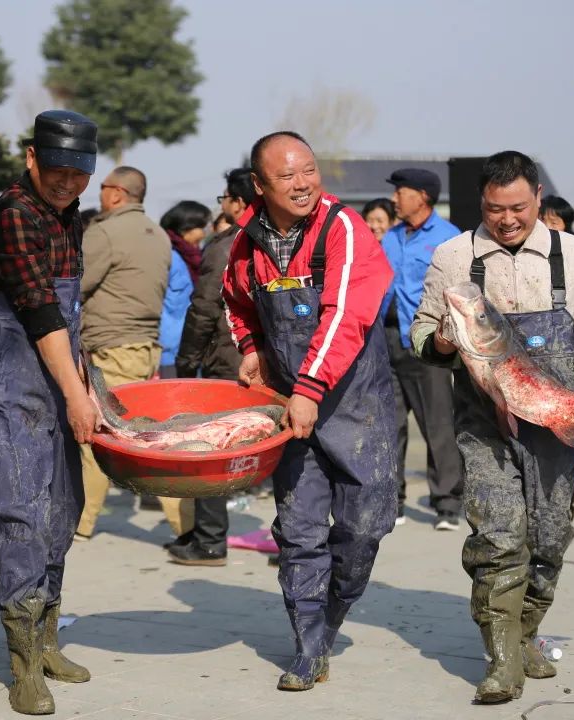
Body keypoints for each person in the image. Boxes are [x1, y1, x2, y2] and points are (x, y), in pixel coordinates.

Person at [411, 151, 574, 703]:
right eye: (494, 208)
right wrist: (440, 343)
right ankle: (502, 660)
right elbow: (422, 333)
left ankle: (526, 633)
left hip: (554, 420)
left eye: (519, 208)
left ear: (539, 199)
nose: (507, 219)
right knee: (498, 535)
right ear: (480, 203)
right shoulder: (453, 256)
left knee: (550, 535)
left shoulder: (572, 254)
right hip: (485, 424)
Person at [222, 131, 398, 691]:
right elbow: (236, 299)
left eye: (309, 171)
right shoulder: (246, 242)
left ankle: (331, 613)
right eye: (286, 176)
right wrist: (251, 350)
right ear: (259, 184)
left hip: (355, 407)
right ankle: (308, 644)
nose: (302, 184)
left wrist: (310, 387)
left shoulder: (340, 228)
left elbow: (345, 314)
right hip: (292, 414)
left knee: (365, 526)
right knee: (298, 531)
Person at [0, 110, 98, 714]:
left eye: (80, 171)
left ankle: (46, 641)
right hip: (6, 388)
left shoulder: (67, 219)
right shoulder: (13, 215)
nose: (69, 181)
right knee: (20, 516)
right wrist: (75, 396)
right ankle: (22, 669)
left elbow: (70, 321)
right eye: (58, 168)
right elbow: (42, 314)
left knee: (60, 510)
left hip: (55, 379)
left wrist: (86, 387)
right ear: (31, 157)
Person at [74, 166, 191, 542]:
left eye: (103, 187)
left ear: (116, 193)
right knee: (150, 435)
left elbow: (75, 285)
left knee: (103, 437)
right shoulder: (158, 236)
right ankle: (187, 525)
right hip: (145, 349)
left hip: (111, 349)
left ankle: (81, 523)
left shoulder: (104, 232)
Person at [170, 168, 255, 567]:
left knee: (214, 451)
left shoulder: (227, 246)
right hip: (273, 364)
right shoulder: (281, 240)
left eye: (224, 197)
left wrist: (186, 360)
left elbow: (204, 308)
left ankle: (208, 541)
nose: (220, 205)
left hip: (230, 362)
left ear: (238, 202)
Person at [380, 169, 464, 529]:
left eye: (401, 192)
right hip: (387, 340)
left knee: (437, 421)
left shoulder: (449, 239)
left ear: (423, 197)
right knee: (390, 423)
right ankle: (392, 500)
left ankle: (447, 502)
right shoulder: (391, 237)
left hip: (429, 343)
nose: (395, 198)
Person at [157, 200, 210, 378]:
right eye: (201, 227)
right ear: (187, 227)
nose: (204, 233)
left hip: (192, 347)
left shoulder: (194, 257)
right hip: (169, 349)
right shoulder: (168, 255)